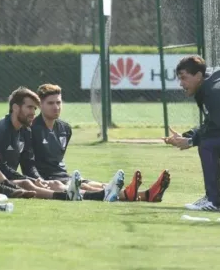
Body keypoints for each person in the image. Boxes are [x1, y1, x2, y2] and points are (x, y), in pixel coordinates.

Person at [0, 86, 124, 202]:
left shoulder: (24, 131)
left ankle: (114, 193)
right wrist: (31, 179)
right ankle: (84, 196)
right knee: (31, 184)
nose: (33, 113)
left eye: (34, 109)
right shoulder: (0, 130)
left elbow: (26, 163)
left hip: (10, 180)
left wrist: (35, 180)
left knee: (36, 183)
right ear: (16, 108)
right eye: (29, 107)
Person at [33, 83, 171, 203]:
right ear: (40, 105)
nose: (56, 107)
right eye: (50, 103)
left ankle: (146, 194)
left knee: (97, 184)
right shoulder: (32, 128)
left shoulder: (65, 129)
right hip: (47, 179)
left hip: (64, 175)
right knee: (87, 187)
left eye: (58, 102)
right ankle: (144, 195)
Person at [164, 55, 220, 211]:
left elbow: (215, 128)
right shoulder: (209, 86)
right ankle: (211, 199)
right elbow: (211, 124)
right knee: (207, 142)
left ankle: (213, 202)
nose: (181, 84)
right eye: (179, 78)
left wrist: (190, 142)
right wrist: (189, 136)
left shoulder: (216, 93)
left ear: (198, 76)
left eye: (184, 78)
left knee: (207, 145)